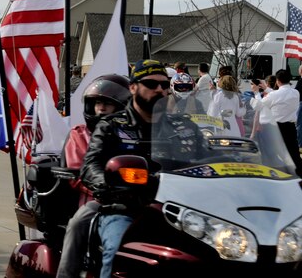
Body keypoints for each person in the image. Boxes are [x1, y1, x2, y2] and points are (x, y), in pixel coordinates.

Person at [80, 59, 203, 278]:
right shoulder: (111, 126)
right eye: (151, 84)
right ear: (133, 87)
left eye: (165, 85)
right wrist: (110, 181)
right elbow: (91, 166)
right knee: (118, 250)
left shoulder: (186, 127)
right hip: (127, 211)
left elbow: (208, 160)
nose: (160, 90)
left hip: (182, 214)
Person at [56, 74, 131, 278]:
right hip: (97, 200)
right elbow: (79, 171)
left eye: (108, 103)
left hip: (136, 200)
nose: (101, 108)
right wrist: (109, 186)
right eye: (98, 102)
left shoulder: (131, 133)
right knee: (77, 223)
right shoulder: (79, 134)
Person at [250, 69, 302, 178]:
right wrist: (266, 88)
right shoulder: (296, 93)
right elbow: (281, 94)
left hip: (275, 128)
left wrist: (257, 92)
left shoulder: (274, 95)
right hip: (290, 127)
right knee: (294, 154)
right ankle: (301, 177)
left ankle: (272, 176)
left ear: (277, 81)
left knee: (270, 154)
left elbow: (258, 106)